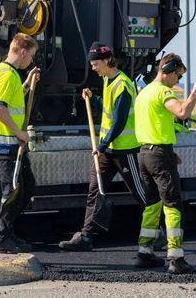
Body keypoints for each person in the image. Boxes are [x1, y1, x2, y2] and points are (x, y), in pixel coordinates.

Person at [59, 42, 148, 251]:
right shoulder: (108, 80)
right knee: (95, 191)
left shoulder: (123, 85)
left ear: (107, 60)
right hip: (106, 152)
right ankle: (86, 236)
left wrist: (102, 143)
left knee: (140, 192)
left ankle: (158, 230)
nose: (93, 68)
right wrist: (94, 98)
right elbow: (108, 108)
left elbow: (119, 120)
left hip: (125, 150)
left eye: (96, 63)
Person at [133, 53, 196, 275]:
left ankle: (144, 252)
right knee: (172, 204)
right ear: (169, 70)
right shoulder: (164, 91)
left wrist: (168, 152)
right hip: (159, 155)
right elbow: (182, 112)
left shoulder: (144, 93)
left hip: (144, 154)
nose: (178, 81)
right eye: (178, 75)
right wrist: (194, 93)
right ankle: (175, 257)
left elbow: (155, 125)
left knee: (152, 204)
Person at [0, 33, 40, 254]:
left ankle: (6, 230)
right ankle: (1, 236)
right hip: (6, 144)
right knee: (13, 192)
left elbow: (12, 99)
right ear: (23, 51)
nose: (31, 61)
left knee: (25, 189)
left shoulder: (9, 73)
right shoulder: (7, 75)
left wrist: (27, 83)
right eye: (31, 55)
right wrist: (19, 133)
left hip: (9, 144)